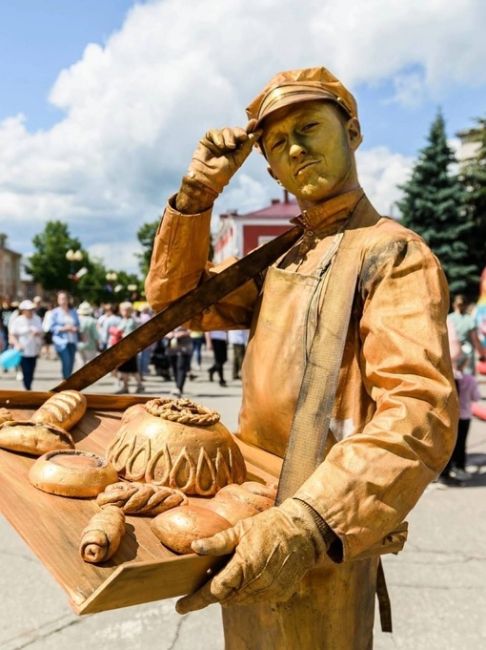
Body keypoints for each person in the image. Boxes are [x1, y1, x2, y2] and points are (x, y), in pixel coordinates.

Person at [145, 67, 458, 649]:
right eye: (276, 144)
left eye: (309, 127)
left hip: (321, 530)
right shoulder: (283, 257)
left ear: (353, 131)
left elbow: (420, 410)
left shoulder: (392, 253)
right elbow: (176, 304)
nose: (295, 149)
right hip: (246, 513)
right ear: (269, 169)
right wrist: (196, 198)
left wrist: (306, 523)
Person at [8, 299, 43, 390]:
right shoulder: (17, 321)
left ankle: (28, 386)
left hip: (34, 350)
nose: (31, 311)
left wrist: (37, 333)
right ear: (23, 310)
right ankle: (27, 388)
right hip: (22, 351)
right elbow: (12, 335)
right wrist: (17, 344)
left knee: (31, 372)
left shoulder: (37, 319)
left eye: (32, 309)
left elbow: (42, 332)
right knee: (26, 371)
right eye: (28, 310)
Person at [447, 294, 485, 374]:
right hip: (467, 353)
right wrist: (482, 354)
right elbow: (475, 340)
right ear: (466, 305)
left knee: (454, 379)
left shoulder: (448, 319)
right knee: (467, 379)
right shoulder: (469, 320)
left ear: (454, 305)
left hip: (451, 353)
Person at [114, 302, 144, 394]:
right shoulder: (122, 320)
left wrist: (121, 334)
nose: (124, 312)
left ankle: (140, 385)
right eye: (123, 310)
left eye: (126, 310)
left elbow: (132, 334)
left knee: (132, 369)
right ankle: (125, 387)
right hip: (123, 348)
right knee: (123, 369)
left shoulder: (132, 321)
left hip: (130, 348)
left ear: (130, 311)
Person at [50, 291, 80, 380]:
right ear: (58, 300)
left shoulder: (73, 311)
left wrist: (75, 328)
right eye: (61, 299)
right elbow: (52, 327)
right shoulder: (55, 312)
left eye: (65, 299)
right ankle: (66, 381)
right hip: (61, 342)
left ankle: (66, 379)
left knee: (71, 362)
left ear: (68, 300)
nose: (63, 301)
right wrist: (64, 328)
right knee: (66, 361)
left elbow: (78, 324)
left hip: (72, 340)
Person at [166, 326, 193, 396]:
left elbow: (192, 330)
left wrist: (183, 333)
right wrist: (168, 334)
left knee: (181, 366)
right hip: (172, 346)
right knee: (174, 367)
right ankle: (177, 385)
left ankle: (179, 387)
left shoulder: (187, 320)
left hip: (184, 346)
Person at [76, 301, 99, 367]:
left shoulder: (77, 320)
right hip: (90, 345)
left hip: (78, 345)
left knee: (80, 363)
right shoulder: (92, 321)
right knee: (90, 363)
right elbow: (95, 335)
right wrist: (97, 344)